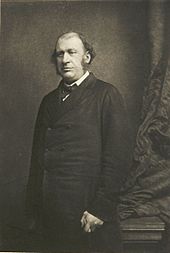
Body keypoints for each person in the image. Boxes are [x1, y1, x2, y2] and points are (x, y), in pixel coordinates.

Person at [26, 31, 132, 253]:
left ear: (87, 57)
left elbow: (118, 159)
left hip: (87, 214)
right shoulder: (48, 101)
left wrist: (100, 209)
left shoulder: (106, 94)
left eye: (72, 52)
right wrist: (34, 211)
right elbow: (37, 162)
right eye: (59, 54)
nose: (65, 59)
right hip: (50, 213)